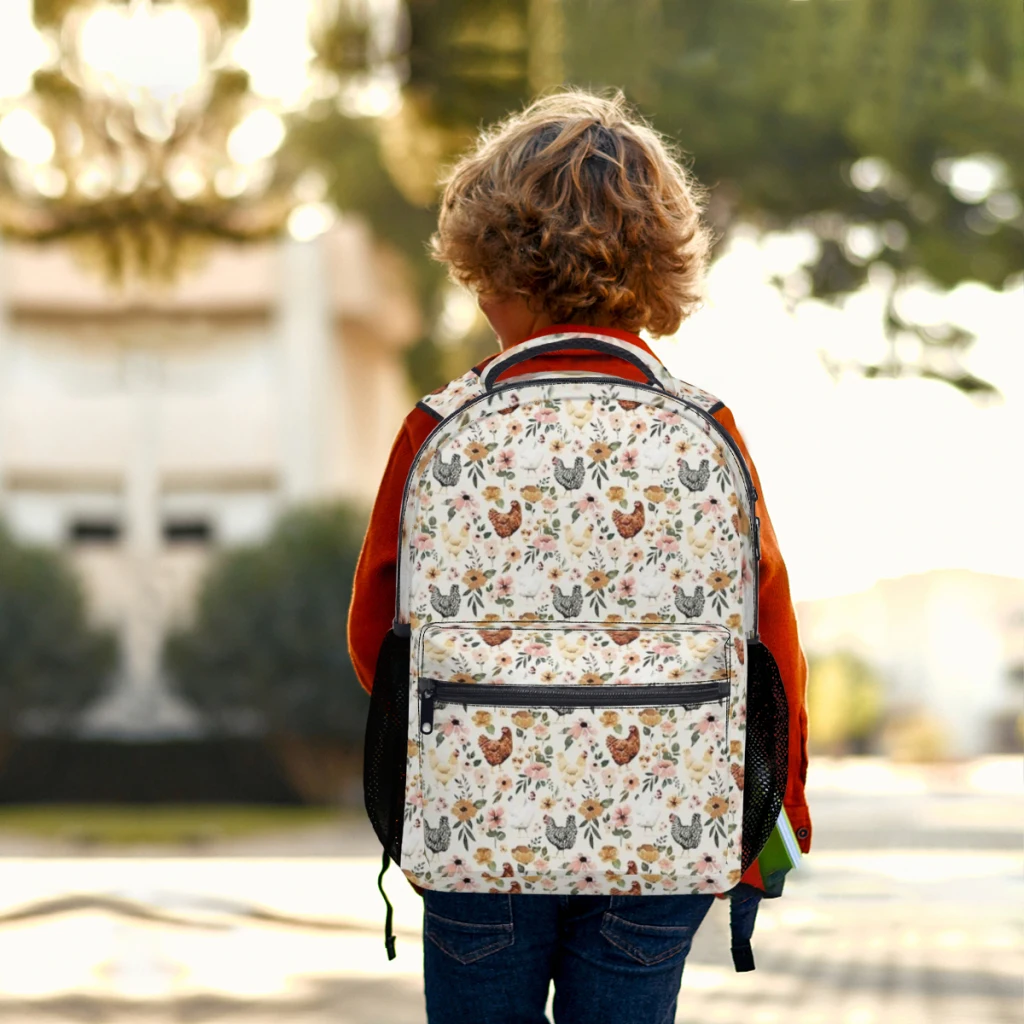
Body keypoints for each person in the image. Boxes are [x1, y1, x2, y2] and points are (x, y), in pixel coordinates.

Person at [349, 89, 810, 1024]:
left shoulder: (440, 427)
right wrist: (777, 815)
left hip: (481, 835)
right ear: (660, 269)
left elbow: (375, 638)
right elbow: (770, 643)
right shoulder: (706, 428)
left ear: (491, 269)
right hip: (662, 838)